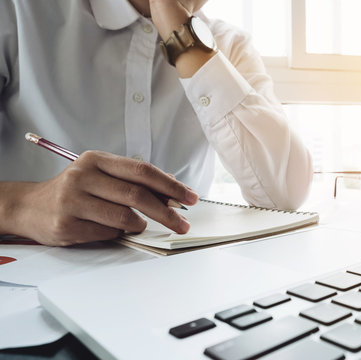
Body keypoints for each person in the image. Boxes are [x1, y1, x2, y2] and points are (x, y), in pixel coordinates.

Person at [0, 0, 313, 246]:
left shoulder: (228, 45)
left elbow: (283, 195)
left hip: (184, 283)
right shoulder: (17, 11)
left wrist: (183, 37)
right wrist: (19, 206)